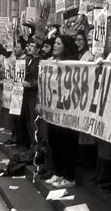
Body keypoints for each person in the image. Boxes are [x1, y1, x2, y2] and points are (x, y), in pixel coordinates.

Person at [45, 36, 79, 188]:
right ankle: (58, 173)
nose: (55, 45)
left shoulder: (73, 64)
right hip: (54, 110)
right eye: (55, 43)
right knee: (54, 140)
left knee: (67, 143)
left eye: (59, 43)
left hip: (68, 110)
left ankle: (69, 176)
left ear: (66, 47)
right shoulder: (51, 62)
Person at [75, 31, 97, 169]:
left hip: (90, 96)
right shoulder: (79, 55)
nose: (77, 42)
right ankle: (83, 158)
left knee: (89, 130)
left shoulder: (92, 56)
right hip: (79, 96)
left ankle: (89, 160)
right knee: (81, 129)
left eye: (80, 39)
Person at [22, 39, 42, 157]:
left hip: (34, 94)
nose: (29, 48)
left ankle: (37, 148)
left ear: (37, 49)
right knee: (29, 122)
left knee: (34, 123)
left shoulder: (39, 61)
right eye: (28, 45)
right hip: (27, 94)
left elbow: (40, 78)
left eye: (32, 46)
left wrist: (31, 84)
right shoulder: (28, 60)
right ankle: (32, 146)